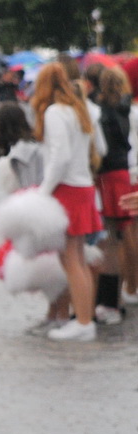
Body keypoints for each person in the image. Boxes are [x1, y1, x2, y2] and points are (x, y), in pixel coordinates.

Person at [31, 61, 101, 341]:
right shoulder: (77, 110)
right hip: (81, 186)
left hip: (67, 189)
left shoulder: (54, 113)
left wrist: (43, 192)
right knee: (79, 259)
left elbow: (59, 157)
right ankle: (85, 319)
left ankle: (84, 321)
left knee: (71, 259)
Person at [89, 64, 135, 323]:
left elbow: (102, 148)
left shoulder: (103, 111)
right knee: (122, 235)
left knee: (110, 240)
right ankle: (123, 293)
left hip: (107, 175)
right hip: (123, 172)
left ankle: (111, 300)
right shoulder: (126, 108)